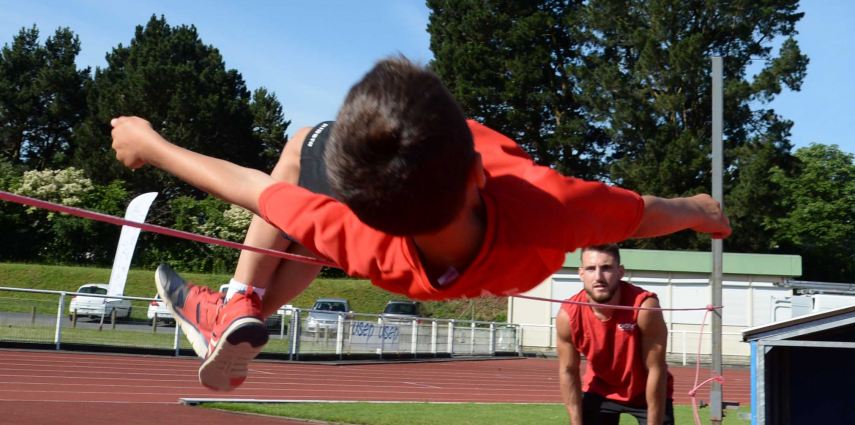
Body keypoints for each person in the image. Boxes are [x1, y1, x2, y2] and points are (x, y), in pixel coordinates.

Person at [110, 57, 731, 391]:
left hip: (406, 260)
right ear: (477, 173)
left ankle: (237, 304)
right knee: (302, 228)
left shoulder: (359, 237)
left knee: (299, 152)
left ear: (354, 202)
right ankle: (241, 313)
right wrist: (701, 213)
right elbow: (647, 214)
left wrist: (151, 144)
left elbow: (253, 188)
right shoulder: (548, 204)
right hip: (495, 259)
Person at [556, 244, 674, 425]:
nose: (598, 277)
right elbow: (568, 371)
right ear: (581, 273)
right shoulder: (568, 315)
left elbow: (655, 369)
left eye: (606, 268)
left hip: (646, 392)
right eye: (590, 269)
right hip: (600, 391)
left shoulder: (644, 308)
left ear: (620, 272)